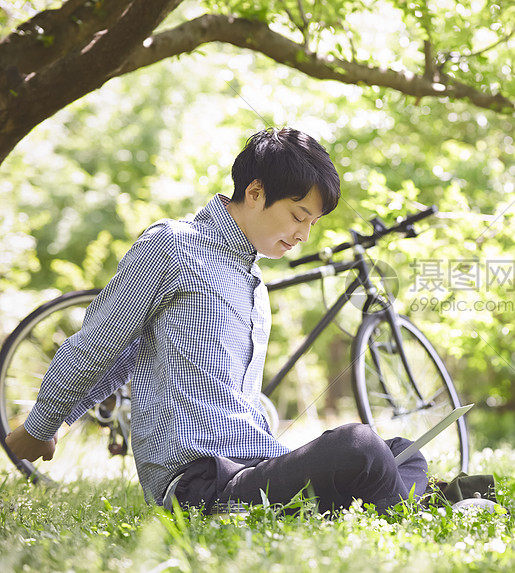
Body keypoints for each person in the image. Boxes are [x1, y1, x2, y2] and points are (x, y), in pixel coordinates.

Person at [4, 127, 428, 514]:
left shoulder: (253, 283)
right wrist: (43, 423)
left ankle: (394, 501)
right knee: (360, 445)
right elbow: (103, 346)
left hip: (257, 467)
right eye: (299, 216)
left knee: (402, 451)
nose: (304, 236)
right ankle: (411, 506)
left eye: (312, 223)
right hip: (198, 484)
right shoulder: (172, 246)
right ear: (256, 192)